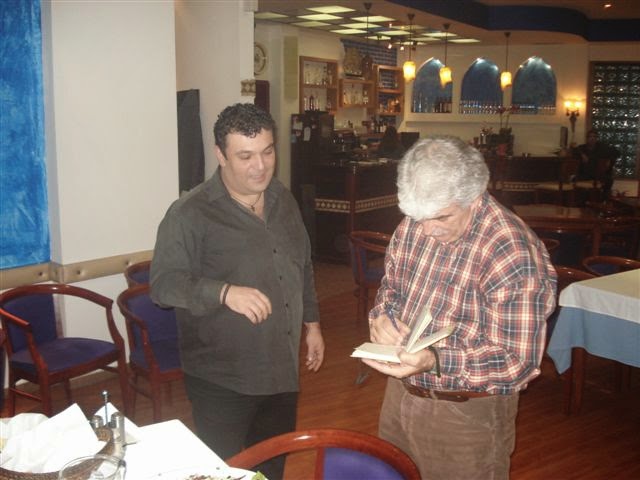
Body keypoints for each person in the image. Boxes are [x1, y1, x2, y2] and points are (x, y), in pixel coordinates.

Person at [360, 135, 557, 479]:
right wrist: (382, 318)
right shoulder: (417, 222)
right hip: (399, 396)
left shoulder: (512, 251)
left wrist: (435, 359)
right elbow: (391, 290)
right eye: (416, 217)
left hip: (466, 415)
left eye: (441, 218)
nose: (426, 230)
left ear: (474, 196)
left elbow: (518, 362)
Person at [150, 103, 325, 480]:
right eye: (245, 156)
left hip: (281, 370)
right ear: (220, 155)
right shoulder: (189, 213)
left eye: (267, 151)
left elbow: (302, 265)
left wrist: (312, 325)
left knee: (272, 467)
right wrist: (224, 292)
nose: (260, 166)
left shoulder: (283, 200)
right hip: (222, 380)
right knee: (224, 472)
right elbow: (163, 285)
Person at [573, 129, 619, 199]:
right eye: (590, 136)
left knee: (609, 180)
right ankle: (581, 200)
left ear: (597, 138)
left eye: (594, 136)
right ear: (587, 138)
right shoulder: (582, 148)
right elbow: (574, 151)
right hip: (585, 174)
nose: (592, 138)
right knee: (573, 179)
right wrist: (582, 154)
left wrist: (610, 160)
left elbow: (616, 152)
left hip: (598, 174)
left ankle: (603, 200)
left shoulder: (602, 148)